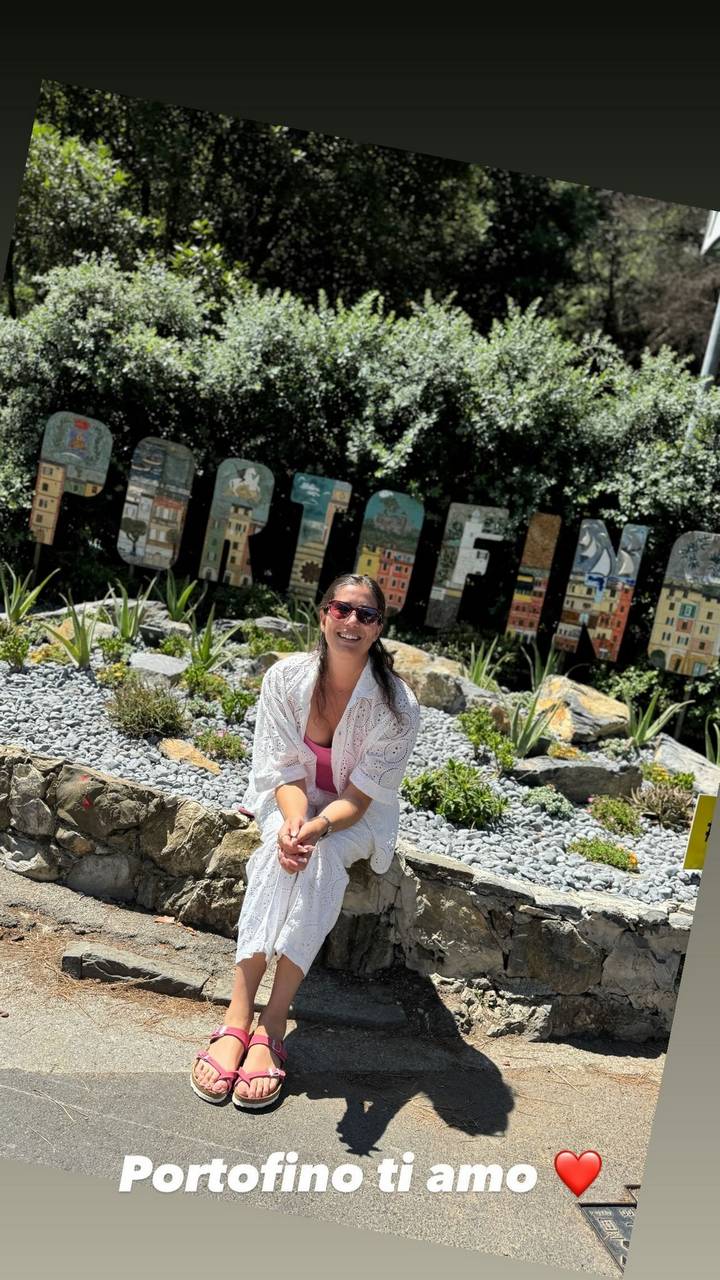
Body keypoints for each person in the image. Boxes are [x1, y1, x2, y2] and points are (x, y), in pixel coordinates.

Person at [190, 573, 421, 1110]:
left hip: (354, 816)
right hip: (289, 800)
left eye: (366, 615)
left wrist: (315, 830)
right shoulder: (285, 680)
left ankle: (272, 1025)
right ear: (323, 616)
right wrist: (295, 825)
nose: (352, 622)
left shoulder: (398, 706)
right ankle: (237, 1017)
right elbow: (285, 772)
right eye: (343, 610)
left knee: (319, 861)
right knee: (277, 854)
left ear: (378, 629)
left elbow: (360, 798)